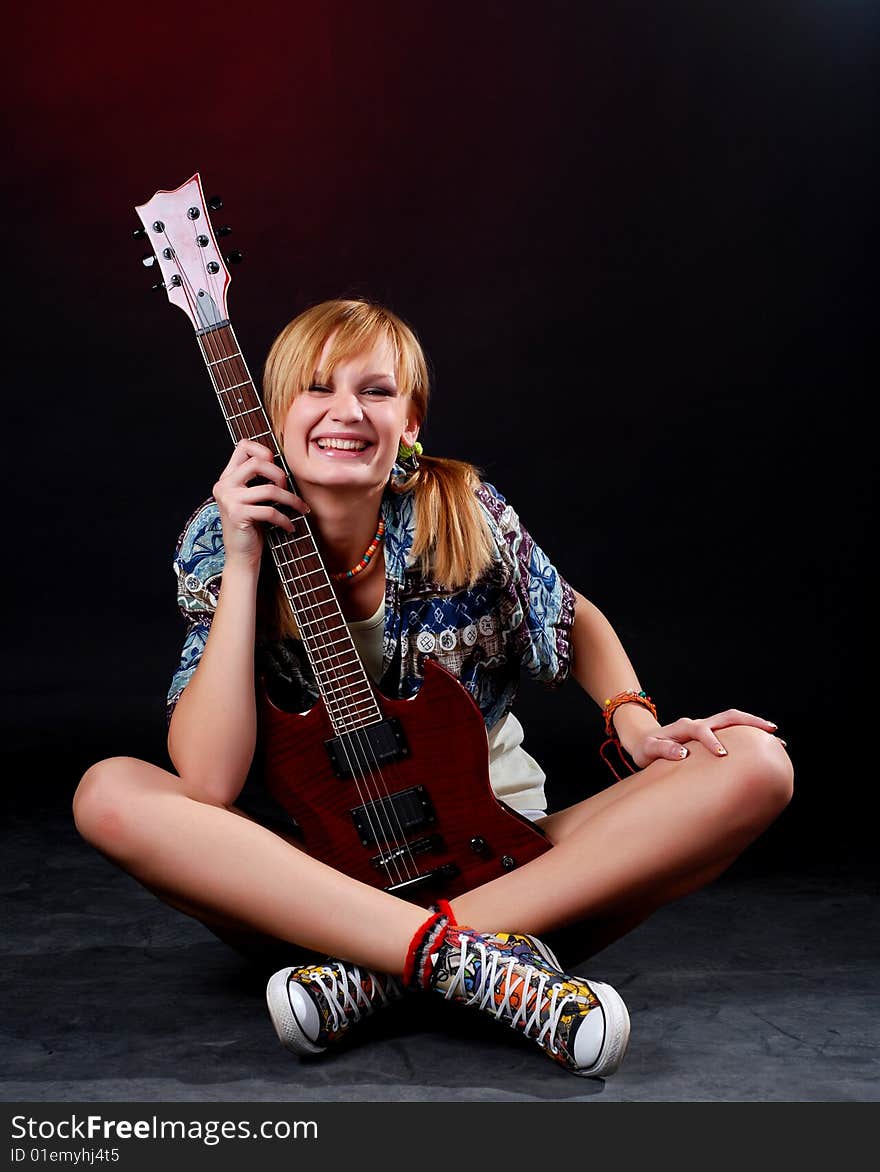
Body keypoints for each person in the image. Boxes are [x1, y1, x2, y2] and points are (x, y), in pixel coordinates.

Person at [73, 298, 793, 1080]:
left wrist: (632, 722)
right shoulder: (219, 536)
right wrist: (246, 561)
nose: (346, 410)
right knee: (108, 792)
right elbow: (208, 780)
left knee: (755, 762)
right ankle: (470, 964)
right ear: (271, 418)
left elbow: (570, 613)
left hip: (511, 866)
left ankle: (382, 973)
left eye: (376, 391)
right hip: (321, 891)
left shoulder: (460, 510)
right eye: (317, 388)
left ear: (410, 421)